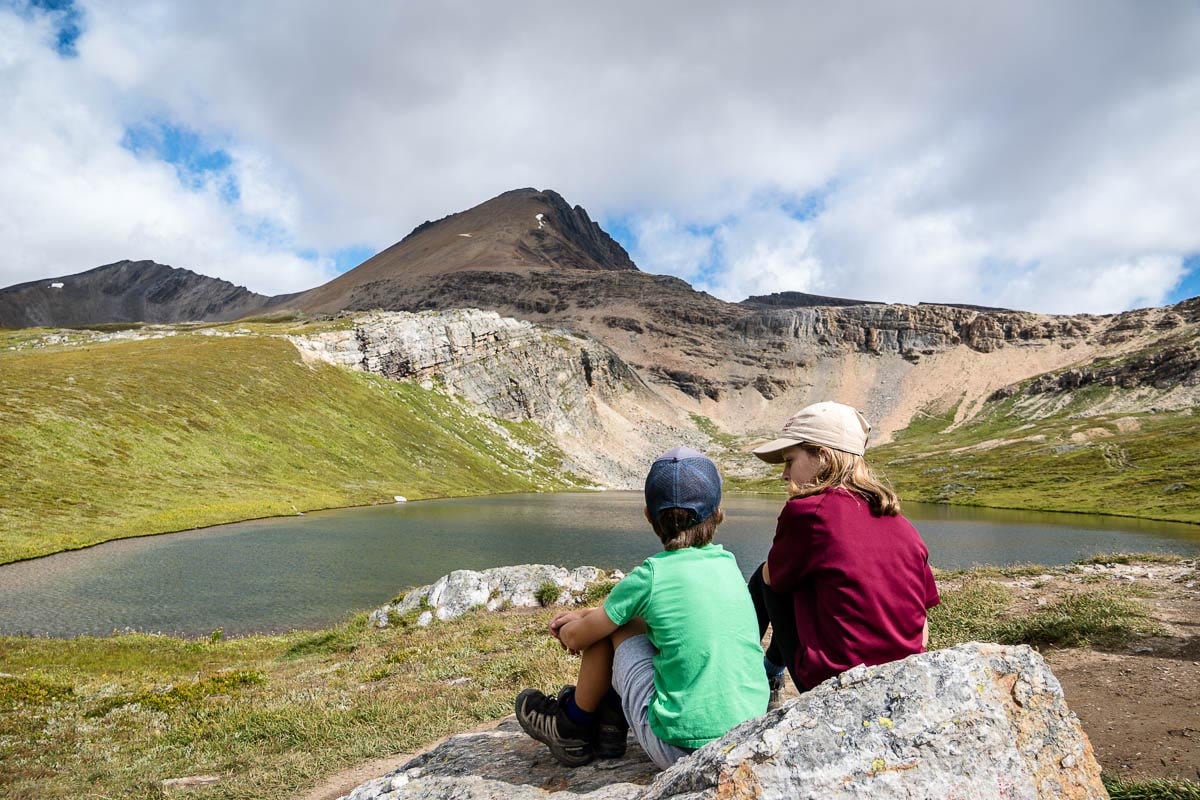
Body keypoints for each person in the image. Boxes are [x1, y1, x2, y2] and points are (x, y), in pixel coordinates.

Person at [514, 446, 769, 770]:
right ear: (718, 512)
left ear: (648, 515)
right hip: (746, 735)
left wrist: (567, 626)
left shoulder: (651, 575)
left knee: (616, 624)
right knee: (624, 619)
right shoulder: (727, 563)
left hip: (680, 750)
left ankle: (571, 726)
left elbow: (578, 639)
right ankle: (609, 723)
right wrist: (590, 613)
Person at [748, 401, 940, 700]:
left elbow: (774, 582)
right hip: (904, 680)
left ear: (823, 457)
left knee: (765, 577)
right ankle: (770, 671)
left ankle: (750, 679)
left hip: (834, 685)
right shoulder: (900, 521)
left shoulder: (808, 512)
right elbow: (922, 619)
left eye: (790, 460)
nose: (784, 475)